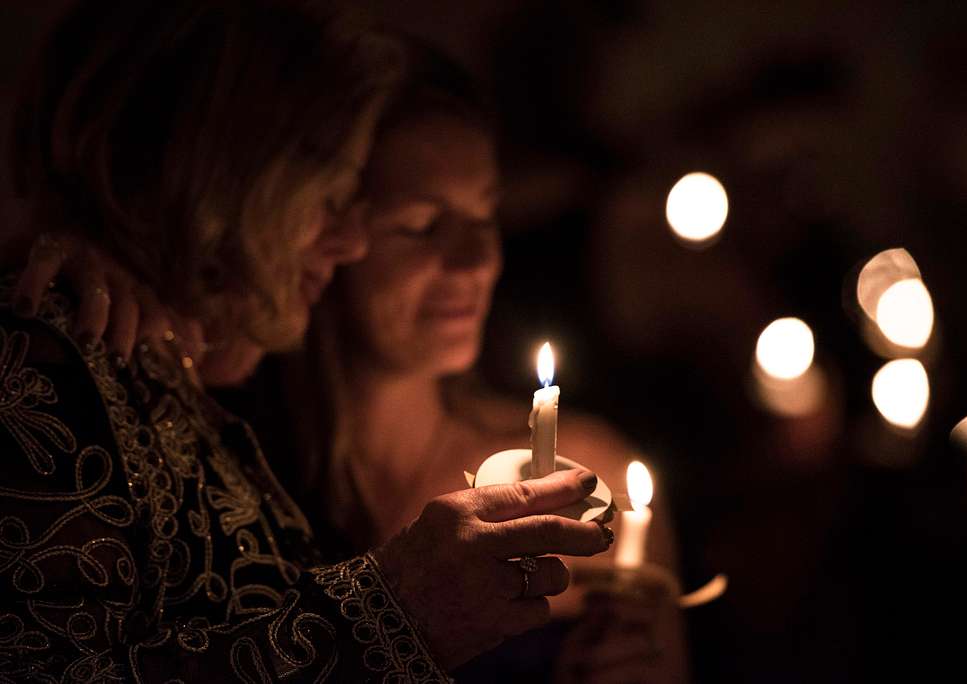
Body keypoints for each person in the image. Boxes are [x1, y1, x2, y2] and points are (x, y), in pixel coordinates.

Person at [0, 2, 613, 680]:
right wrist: (389, 614)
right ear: (227, 181)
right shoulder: (53, 366)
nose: (346, 242)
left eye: (487, 215)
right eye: (330, 199)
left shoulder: (186, 394)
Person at [219, 38, 688, 683]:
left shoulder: (592, 486)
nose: (475, 261)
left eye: (486, 215)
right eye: (420, 225)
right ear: (319, 232)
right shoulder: (231, 492)